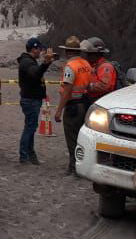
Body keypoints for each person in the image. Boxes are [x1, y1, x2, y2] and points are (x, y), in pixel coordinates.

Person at [54, 36, 92, 175]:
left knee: (72, 137)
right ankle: (83, 164)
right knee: (82, 137)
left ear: (67, 52)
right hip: (85, 103)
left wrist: (59, 110)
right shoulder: (86, 64)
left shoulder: (70, 67)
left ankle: (74, 166)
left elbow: (67, 89)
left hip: (73, 106)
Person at [17, 37, 56, 165]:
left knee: (30, 127)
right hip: (31, 100)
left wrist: (46, 62)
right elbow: (35, 75)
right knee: (30, 127)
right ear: (34, 49)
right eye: (40, 49)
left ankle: (29, 154)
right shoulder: (27, 62)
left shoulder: (28, 61)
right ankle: (24, 155)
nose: (41, 51)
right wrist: (46, 63)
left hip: (31, 99)